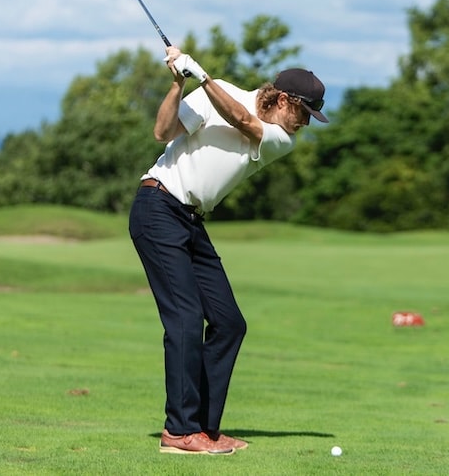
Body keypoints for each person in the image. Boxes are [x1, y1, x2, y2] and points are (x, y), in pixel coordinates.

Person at [129, 46, 328, 455]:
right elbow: (163, 132)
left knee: (229, 322)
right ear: (286, 100)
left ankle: (203, 427)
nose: (305, 123)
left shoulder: (279, 138)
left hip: (191, 220)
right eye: (305, 113)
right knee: (185, 317)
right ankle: (180, 431)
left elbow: (241, 119)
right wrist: (179, 82)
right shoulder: (216, 92)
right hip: (158, 207)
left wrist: (202, 76)